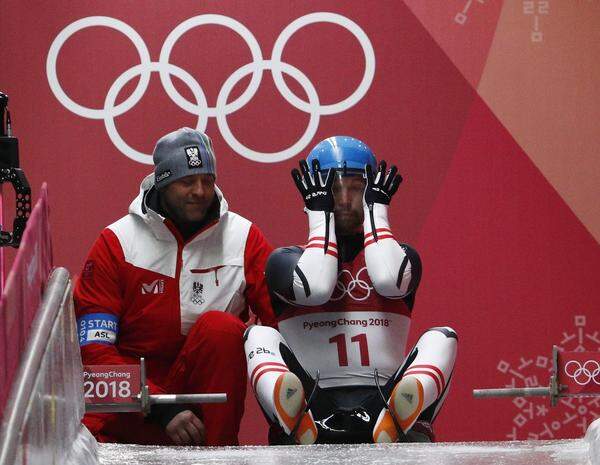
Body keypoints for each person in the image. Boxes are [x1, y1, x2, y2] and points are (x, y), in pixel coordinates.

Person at [244, 136, 457, 445]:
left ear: (371, 192)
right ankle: (299, 421)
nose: (343, 199)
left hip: (385, 398)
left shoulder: (403, 258)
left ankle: (397, 419)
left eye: (356, 188)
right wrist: (321, 216)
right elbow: (315, 288)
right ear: (313, 195)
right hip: (310, 403)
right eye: (332, 190)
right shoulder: (283, 261)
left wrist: (376, 214)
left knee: (443, 337)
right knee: (258, 335)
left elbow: (388, 281)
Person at [74, 127, 276, 446]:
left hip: (203, 418)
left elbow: (281, 327)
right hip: (127, 414)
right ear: (163, 183)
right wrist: (158, 406)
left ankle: (220, 457)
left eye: (207, 181)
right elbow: (94, 351)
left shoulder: (244, 238)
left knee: (222, 329)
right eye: (187, 182)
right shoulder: (116, 243)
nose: (199, 191)